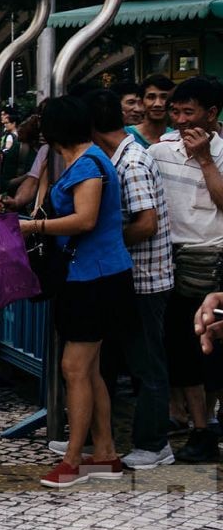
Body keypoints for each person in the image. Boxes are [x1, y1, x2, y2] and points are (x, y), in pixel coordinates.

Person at [55, 89, 175, 468]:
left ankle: (153, 444)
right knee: (95, 367)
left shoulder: (128, 162)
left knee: (145, 365)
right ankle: (101, 446)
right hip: (117, 273)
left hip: (139, 276)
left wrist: (39, 227)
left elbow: (145, 223)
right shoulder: (106, 159)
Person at [20, 96, 134, 487]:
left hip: (95, 278)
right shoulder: (83, 160)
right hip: (88, 276)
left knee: (74, 368)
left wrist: (32, 228)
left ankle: (73, 460)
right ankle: (105, 453)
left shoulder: (88, 164)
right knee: (90, 369)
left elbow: (85, 220)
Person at [149, 75, 223, 463]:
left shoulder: (222, 152)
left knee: (208, 349)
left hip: (213, 262)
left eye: (188, 111)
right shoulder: (161, 151)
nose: (178, 119)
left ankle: (206, 426)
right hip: (171, 262)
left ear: (211, 114)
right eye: (175, 111)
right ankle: (198, 425)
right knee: (181, 349)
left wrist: (207, 160)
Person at [128, 73, 176, 149]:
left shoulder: (175, 138)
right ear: (141, 103)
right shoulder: (126, 136)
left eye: (164, 97)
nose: (158, 104)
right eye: (151, 97)